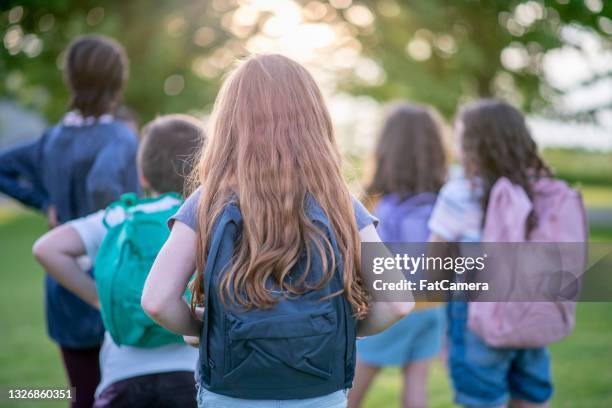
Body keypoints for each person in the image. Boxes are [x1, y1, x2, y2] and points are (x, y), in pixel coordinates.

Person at [141, 54, 414, 408]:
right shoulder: (339, 202)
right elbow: (398, 302)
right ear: (314, 120)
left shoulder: (207, 201)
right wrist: (340, 333)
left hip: (231, 392)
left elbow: (157, 300)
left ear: (230, 123)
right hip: (320, 392)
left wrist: (203, 332)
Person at [0, 35, 139, 407]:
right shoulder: (120, 138)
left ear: (71, 79)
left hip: (64, 285)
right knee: (121, 396)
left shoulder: (53, 139)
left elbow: (3, 166)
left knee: (80, 395)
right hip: (114, 285)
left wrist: (43, 201)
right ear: (117, 79)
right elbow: (104, 183)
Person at [32, 115, 205, 408]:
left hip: (123, 374)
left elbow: (46, 249)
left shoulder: (119, 217)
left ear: (143, 176)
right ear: (203, 171)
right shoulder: (203, 219)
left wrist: (100, 300)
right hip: (191, 374)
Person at [428, 99, 554, 408]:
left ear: (471, 146)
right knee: (530, 395)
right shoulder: (542, 190)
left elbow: (435, 266)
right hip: (532, 306)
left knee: (481, 399)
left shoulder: (460, 194)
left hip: (475, 314)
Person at [348, 103, 447, 408]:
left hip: (388, 306)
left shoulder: (373, 202)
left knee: (355, 378)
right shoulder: (445, 201)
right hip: (431, 306)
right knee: (417, 378)